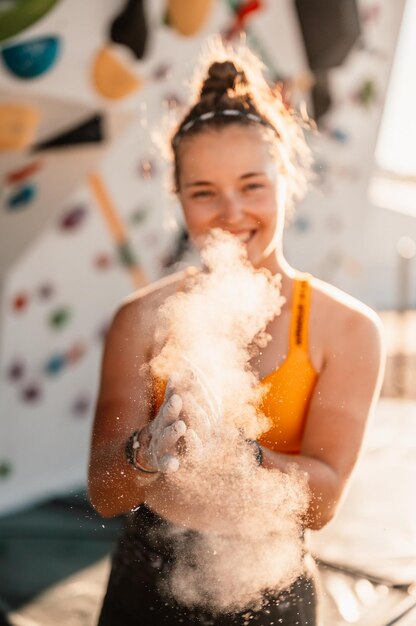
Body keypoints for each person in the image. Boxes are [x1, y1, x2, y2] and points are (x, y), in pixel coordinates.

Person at [88, 43, 385, 626]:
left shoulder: (348, 327)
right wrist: (148, 450)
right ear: (178, 199)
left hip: (273, 591)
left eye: (252, 185)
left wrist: (238, 451)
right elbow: (105, 491)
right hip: (145, 578)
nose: (231, 212)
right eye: (204, 192)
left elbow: (322, 503)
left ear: (288, 180)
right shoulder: (140, 319)